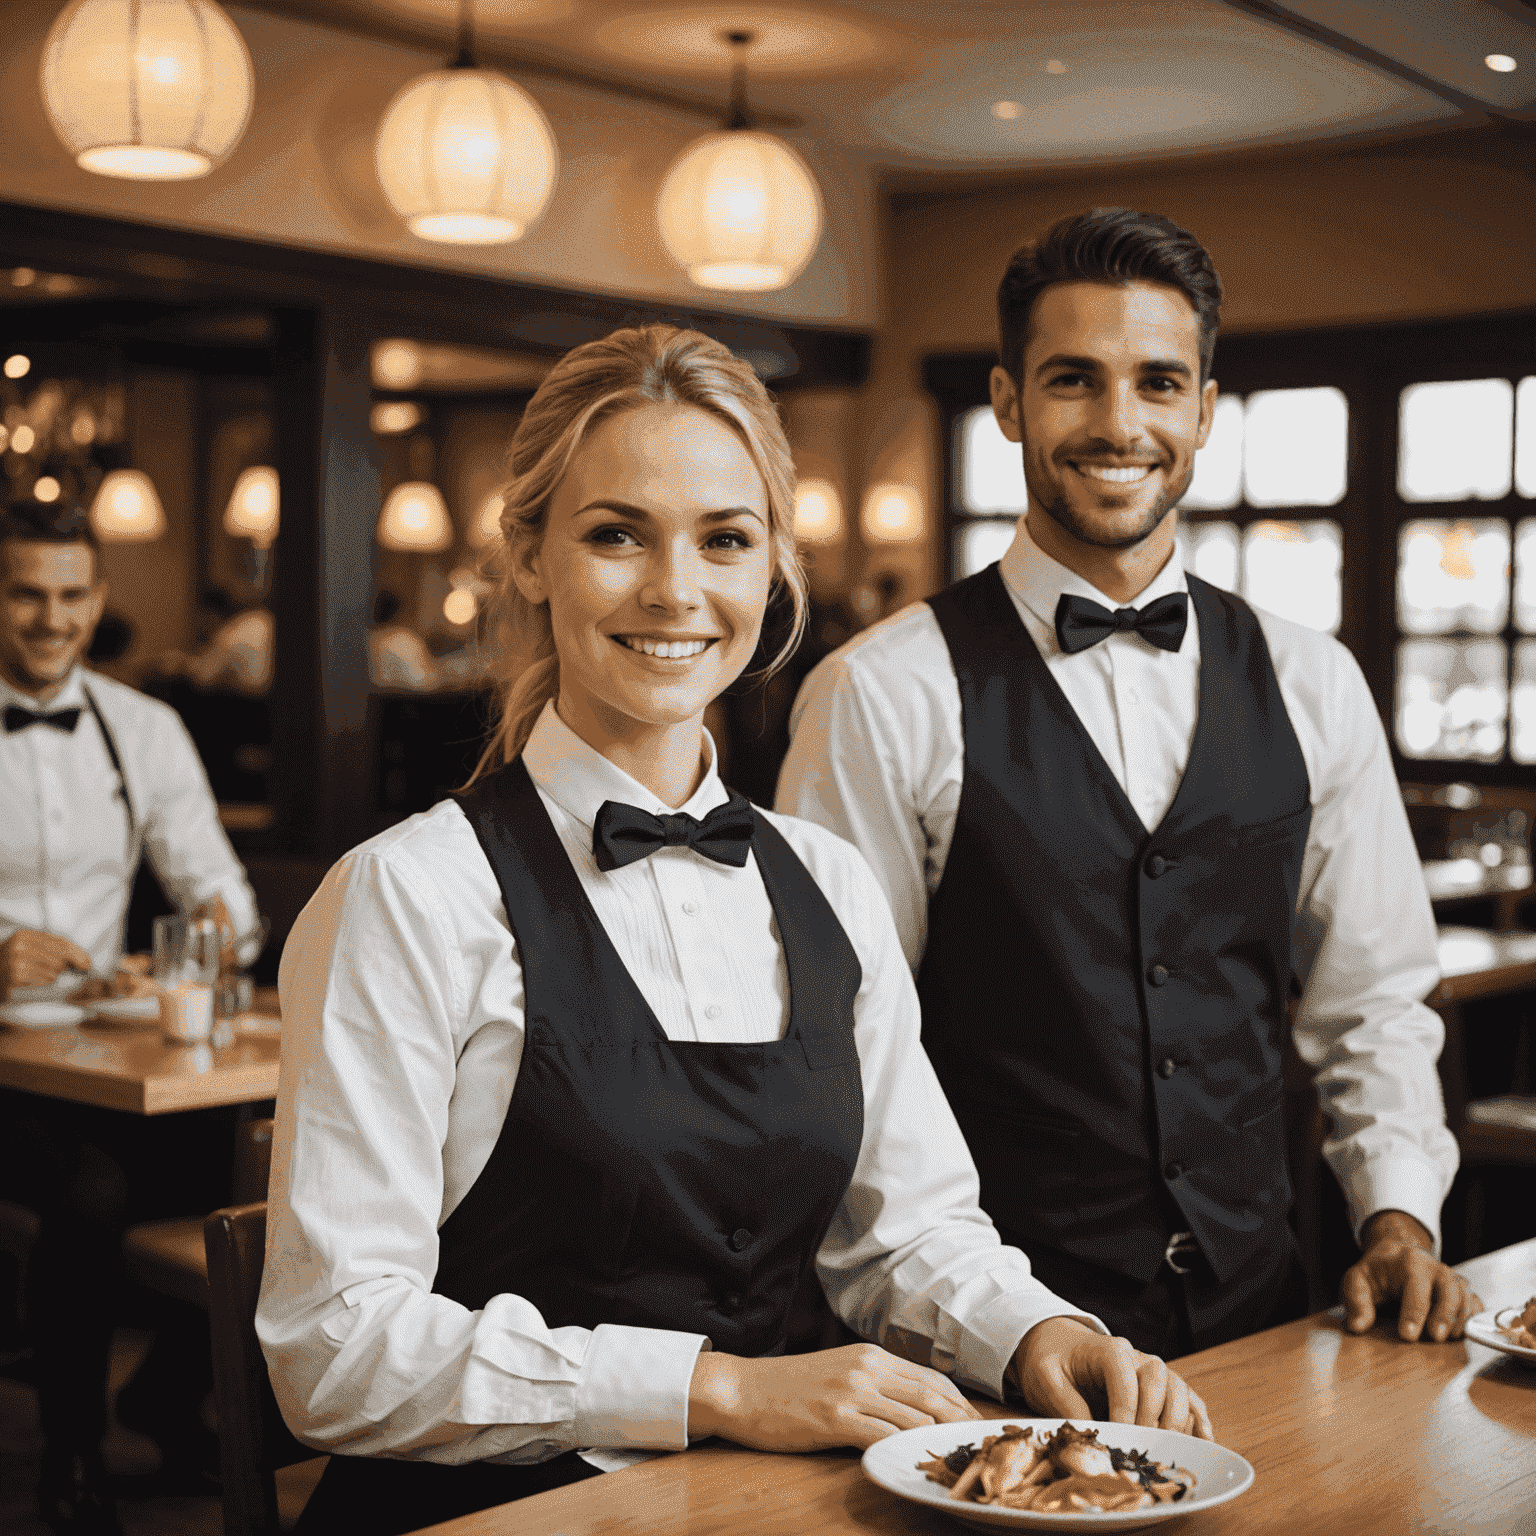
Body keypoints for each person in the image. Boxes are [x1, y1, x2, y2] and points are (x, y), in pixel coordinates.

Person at [259, 325, 1209, 1536]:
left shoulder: (830, 881)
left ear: (772, 574)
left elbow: (905, 1231)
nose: (674, 592)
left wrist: (1035, 1336)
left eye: (724, 540)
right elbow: (332, 1350)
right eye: (616, 534)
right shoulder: (406, 895)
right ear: (529, 556)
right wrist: (716, 1389)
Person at [776, 208, 1478, 1360]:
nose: (1119, 424)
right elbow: (842, 1054)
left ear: (1203, 408)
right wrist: (983, 1319)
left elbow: (1374, 1004)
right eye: (1073, 381)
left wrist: (1397, 1217)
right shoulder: (880, 693)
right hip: (980, 1344)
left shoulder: (1315, 682)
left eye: (1158, 382)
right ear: (1007, 402)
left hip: (1264, 1317)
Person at [0, 496, 261, 1533]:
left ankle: (164, 1393)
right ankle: (72, 1451)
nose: (49, 619)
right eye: (25, 593)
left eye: (70, 595)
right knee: (93, 1194)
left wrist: (192, 941)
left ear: (99, 599)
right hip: (9, 1076)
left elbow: (230, 905)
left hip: (109, 1054)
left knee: (269, 1171)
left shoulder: (142, 728)